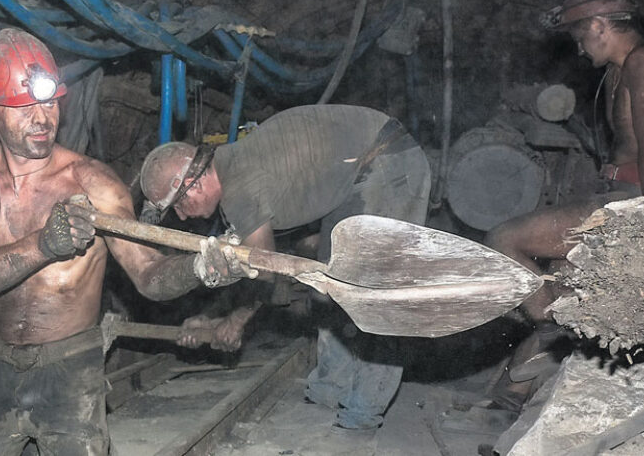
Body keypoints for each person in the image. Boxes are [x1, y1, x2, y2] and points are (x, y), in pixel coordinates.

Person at [0, 28, 254, 456]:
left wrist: (199, 267)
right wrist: (44, 245)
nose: (42, 118)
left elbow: (148, 275)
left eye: (50, 102)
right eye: (24, 107)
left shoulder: (93, 183)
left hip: (69, 367)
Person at [139, 104, 432, 432]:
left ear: (194, 183)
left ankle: (363, 411)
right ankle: (329, 389)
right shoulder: (233, 168)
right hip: (358, 177)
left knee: (376, 295)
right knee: (329, 286)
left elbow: (264, 270)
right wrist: (215, 317)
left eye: (179, 204)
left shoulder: (239, 189)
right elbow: (242, 264)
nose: (181, 215)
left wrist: (235, 321)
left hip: (388, 164)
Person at [484, 0, 644, 409]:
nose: (579, 49)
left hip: (632, 202)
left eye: (581, 37)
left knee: (505, 239)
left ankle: (552, 339)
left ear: (600, 25)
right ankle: (514, 393)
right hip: (618, 193)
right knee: (562, 289)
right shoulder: (620, 68)